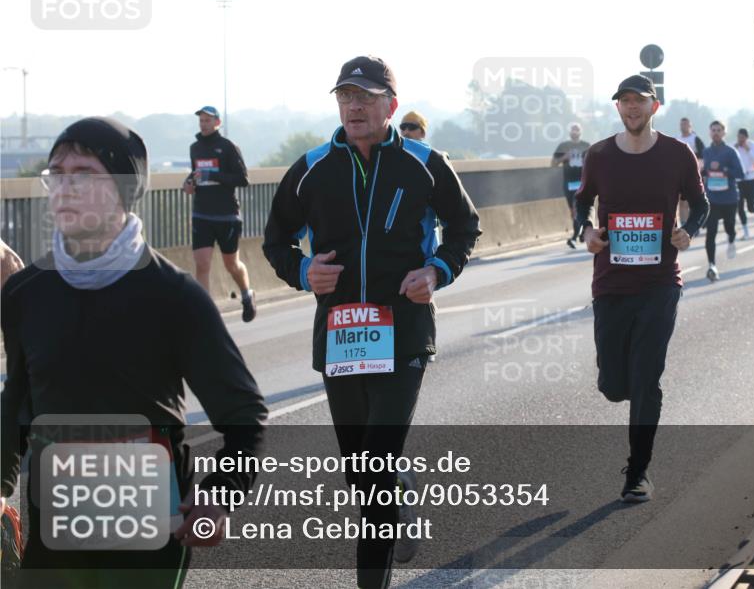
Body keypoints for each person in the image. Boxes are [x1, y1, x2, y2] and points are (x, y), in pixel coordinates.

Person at [1, 117, 267, 588]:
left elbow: (244, 419)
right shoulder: (25, 293)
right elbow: (16, 405)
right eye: (56, 174)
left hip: (147, 526)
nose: (64, 187)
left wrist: (220, 495)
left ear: (125, 188)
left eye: (83, 173)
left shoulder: (176, 296)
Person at [263, 56, 481, 587]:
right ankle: (395, 503)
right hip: (341, 338)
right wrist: (301, 270)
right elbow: (275, 239)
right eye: (345, 96)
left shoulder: (426, 163)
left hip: (403, 332)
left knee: (378, 470)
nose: (354, 106)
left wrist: (437, 270)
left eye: (365, 96)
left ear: (391, 104)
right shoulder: (312, 168)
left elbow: (465, 226)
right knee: (360, 473)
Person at [575, 75, 707, 504]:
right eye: (625, 102)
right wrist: (588, 229)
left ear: (655, 106)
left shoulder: (677, 154)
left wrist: (687, 230)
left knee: (646, 379)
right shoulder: (599, 154)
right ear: (618, 108)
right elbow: (582, 200)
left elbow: (701, 204)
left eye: (640, 101)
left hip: (659, 283)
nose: (632, 108)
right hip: (610, 282)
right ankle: (625, 385)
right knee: (614, 385)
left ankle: (637, 473)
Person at [183, 106, 256, 322]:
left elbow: (243, 179)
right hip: (201, 213)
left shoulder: (228, 147)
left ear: (217, 123)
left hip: (227, 215)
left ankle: (246, 294)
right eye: (201, 120)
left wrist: (213, 174)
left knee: (231, 264)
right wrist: (188, 183)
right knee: (202, 263)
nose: (203, 123)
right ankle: (205, 313)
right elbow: (195, 173)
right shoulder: (195, 148)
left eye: (207, 120)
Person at [700, 121, 744, 281]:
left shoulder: (730, 152)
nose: (716, 133)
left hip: (729, 198)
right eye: (713, 130)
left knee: (729, 227)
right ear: (710, 133)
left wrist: (725, 171)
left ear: (724, 132)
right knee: (710, 233)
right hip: (712, 199)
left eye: (719, 130)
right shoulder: (706, 152)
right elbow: (704, 172)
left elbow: (740, 173)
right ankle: (712, 265)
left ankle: (731, 238)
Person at [552, 123, 591, 248]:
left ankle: (575, 235)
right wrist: (564, 157)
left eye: (577, 130)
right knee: (573, 210)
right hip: (569, 183)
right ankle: (581, 231)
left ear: (581, 132)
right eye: (573, 130)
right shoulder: (563, 146)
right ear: (569, 132)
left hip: (583, 181)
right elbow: (553, 163)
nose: (575, 132)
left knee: (578, 208)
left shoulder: (586, 146)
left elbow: (595, 163)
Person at [733, 128, 754, 237]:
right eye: (738, 137)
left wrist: (748, 150)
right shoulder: (734, 146)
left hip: (752, 178)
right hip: (739, 180)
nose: (740, 140)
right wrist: (735, 151)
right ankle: (746, 231)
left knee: (750, 206)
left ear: (746, 137)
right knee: (739, 206)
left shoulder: (753, 145)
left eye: (742, 138)